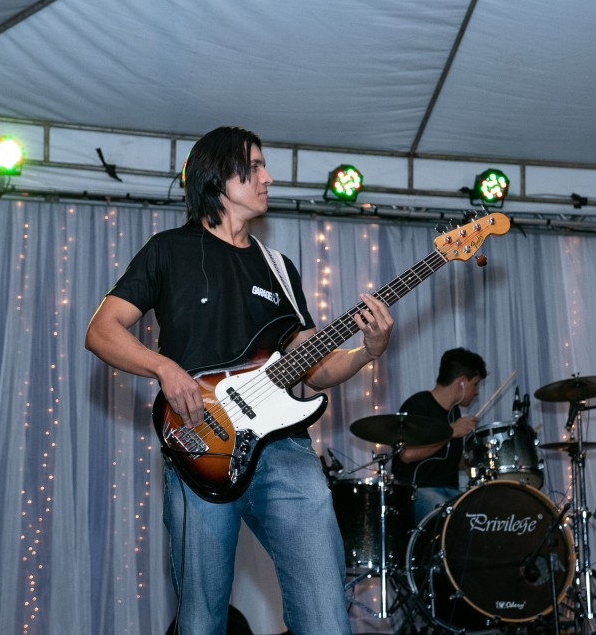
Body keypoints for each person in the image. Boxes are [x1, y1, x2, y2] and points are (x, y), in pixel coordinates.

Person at [85, 125, 394, 635]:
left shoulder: (279, 268)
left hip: (285, 449)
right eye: (253, 168)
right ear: (216, 178)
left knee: (325, 610)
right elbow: (101, 330)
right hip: (201, 443)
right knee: (202, 618)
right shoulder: (168, 250)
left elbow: (315, 367)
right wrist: (164, 367)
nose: (268, 178)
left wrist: (368, 351)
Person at [391, 348, 487, 523]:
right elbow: (407, 454)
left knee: (483, 515)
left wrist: (474, 461)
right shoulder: (417, 405)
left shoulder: (454, 412)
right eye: (475, 384)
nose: (477, 392)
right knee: (450, 518)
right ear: (462, 382)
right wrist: (451, 432)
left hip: (449, 491)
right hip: (419, 490)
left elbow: (447, 458)